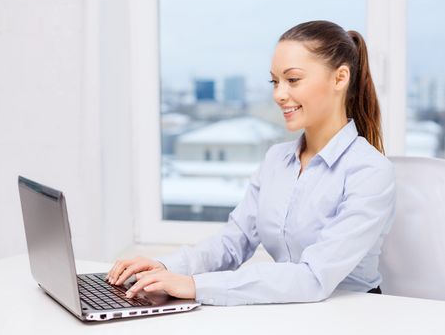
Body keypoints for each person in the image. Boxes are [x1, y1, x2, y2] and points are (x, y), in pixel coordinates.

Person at [106, 20, 396, 306]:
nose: (279, 94)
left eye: (292, 80)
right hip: (291, 310)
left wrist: (195, 285)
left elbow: (313, 278)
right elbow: (233, 242)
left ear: (340, 78)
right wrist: (163, 268)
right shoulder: (276, 160)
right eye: (275, 81)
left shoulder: (369, 172)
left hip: (354, 315)